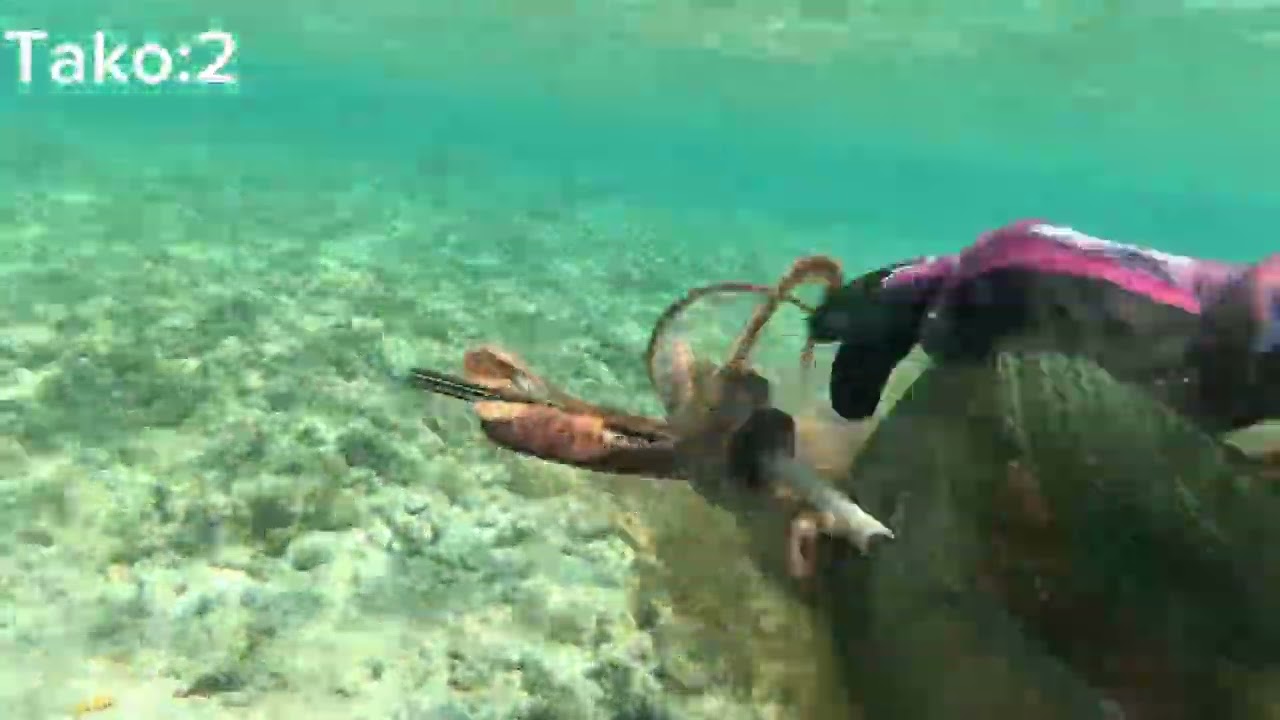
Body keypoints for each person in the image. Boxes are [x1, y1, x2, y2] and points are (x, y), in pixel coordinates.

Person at [807, 218, 1279, 433]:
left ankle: (916, 293)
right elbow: (1255, 294)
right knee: (975, 308)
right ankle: (909, 291)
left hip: (1062, 282)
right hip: (1065, 278)